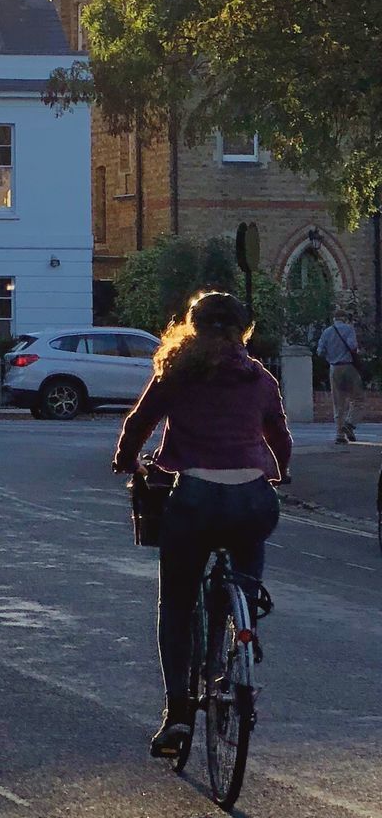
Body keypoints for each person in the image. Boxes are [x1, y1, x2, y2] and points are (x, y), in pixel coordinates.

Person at [112, 291, 291, 759]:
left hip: (194, 498)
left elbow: (139, 423)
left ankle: (177, 715)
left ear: (191, 328)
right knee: (245, 570)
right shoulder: (260, 378)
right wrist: (279, 471)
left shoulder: (176, 372)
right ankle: (243, 639)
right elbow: (280, 436)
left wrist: (126, 460)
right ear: (242, 332)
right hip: (253, 497)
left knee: (176, 603)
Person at [316, 313, 363, 444]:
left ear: (334, 319)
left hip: (334, 368)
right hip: (348, 367)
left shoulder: (326, 332)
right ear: (344, 318)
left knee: (338, 403)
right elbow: (353, 346)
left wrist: (330, 355)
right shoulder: (349, 329)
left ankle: (339, 435)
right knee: (358, 399)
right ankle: (349, 423)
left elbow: (319, 351)